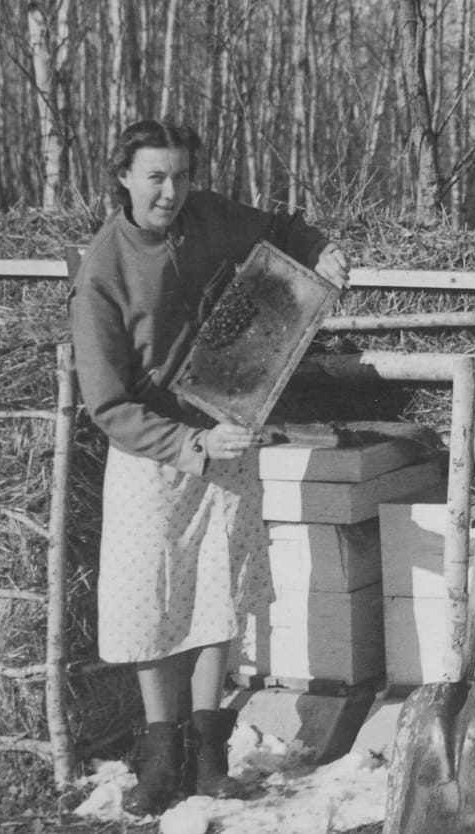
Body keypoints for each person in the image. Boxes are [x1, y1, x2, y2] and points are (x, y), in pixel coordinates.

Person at [69, 120, 349, 815]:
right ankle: (160, 760)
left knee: (217, 593)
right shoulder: (103, 268)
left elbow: (284, 228)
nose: (171, 191)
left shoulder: (211, 217)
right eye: (156, 176)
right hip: (153, 453)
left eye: (182, 175)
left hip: (227, 424)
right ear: (124, 177)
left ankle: (207, 757)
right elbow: (106, 403)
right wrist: (191, 447)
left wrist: (325, 250)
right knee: (150, 604)